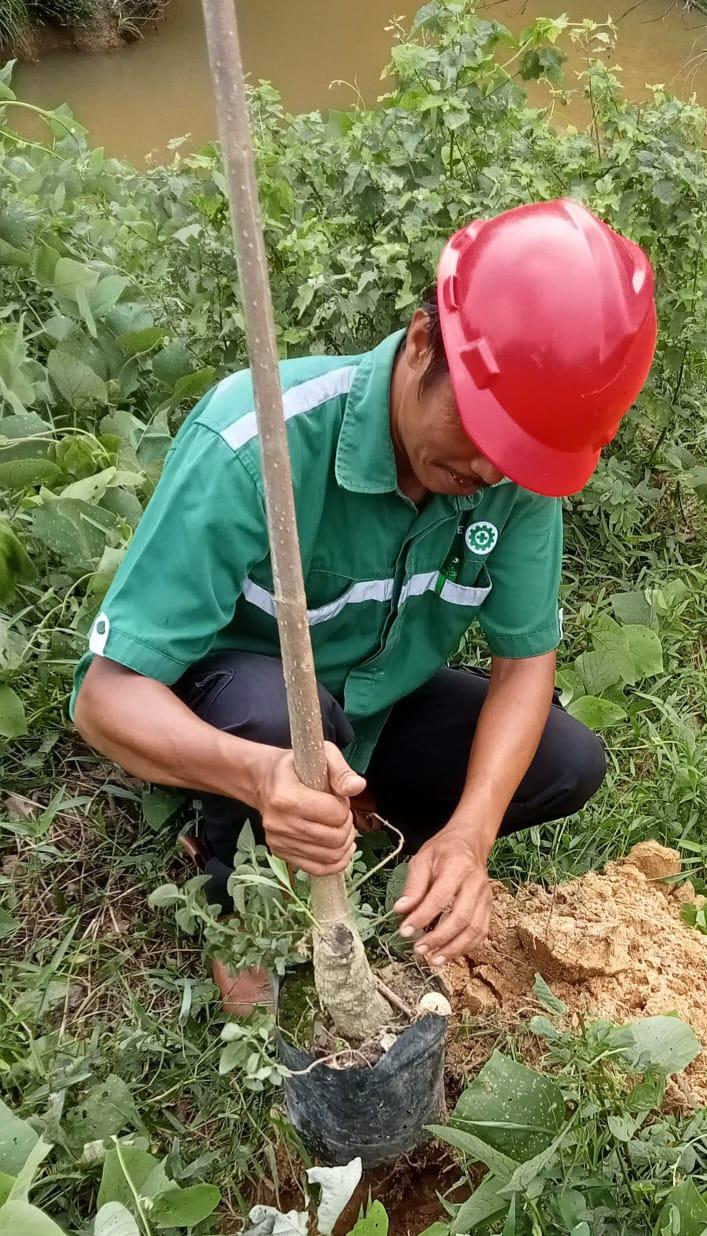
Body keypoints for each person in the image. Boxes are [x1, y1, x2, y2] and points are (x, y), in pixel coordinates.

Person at [71, 198, 657, 1009]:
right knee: (286, 715)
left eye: (520, 455)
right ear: (423, 344)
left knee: (565, 762)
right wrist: (259, 773)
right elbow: (104, 701)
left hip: (380, 705)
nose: (491, 472)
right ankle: (233, 868)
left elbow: (525, 664)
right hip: (244, 705)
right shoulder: (254, 442)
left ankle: (363, 815)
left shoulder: (513, 478)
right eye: (484, 432)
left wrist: (470, 835)